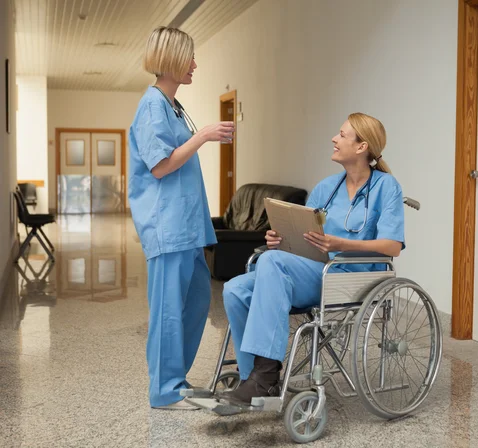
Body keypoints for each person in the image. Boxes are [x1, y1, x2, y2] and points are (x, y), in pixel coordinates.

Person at [221, 112, 405, 406]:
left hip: (350, 277)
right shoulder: (326, 189)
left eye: (343, 135)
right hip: (317, 271)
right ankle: (252, 377)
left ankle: (266, 376)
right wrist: (280, 240)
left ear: (361, 147)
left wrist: (341, 243)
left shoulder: (386, 187)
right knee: (234, 289)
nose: (334, 138)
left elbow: (392, 246)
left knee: (272, 263)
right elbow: (307, 236)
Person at [128, 26, 235, 410]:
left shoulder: (172, 106)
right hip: (167, 225)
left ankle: (177, 378)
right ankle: (165, 389)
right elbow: (159, 166)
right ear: (171, 59)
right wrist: (204, 135)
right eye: (189, 57)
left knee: (197, 297)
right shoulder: (152, 105)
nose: (194, 64)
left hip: (187, 225)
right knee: (169, 309)